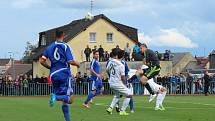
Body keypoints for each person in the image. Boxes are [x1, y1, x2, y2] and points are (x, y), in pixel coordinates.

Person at [39, 30, 80, 121]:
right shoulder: (65, 46)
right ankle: (55, 97)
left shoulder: (49, 48)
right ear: (63, 35)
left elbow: (41, 61)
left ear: (55, 35)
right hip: (64, 73)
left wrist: (50, 67)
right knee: (71, 99)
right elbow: (70, 61)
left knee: (64, 100)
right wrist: (77, 63)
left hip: (53, 74)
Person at [106, 48, 133, 116]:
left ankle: (110, 108)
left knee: (117, 95)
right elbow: (123, 77)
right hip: (117, 83)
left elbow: (107, 70)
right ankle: (122, 111)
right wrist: (124, 84)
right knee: (129, 94)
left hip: (111, 83)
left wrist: (111, 77)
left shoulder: (110, 61)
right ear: (122, 56)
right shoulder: (121, 65)